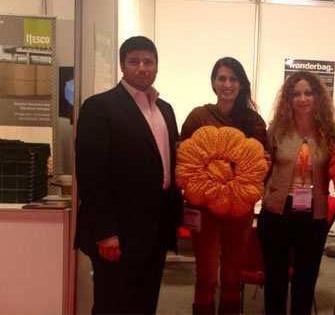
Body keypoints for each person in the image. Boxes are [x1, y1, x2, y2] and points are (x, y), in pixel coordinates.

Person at [74, 36, 183, 314]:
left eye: (148, 61)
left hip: (156, 228)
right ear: (122, 65)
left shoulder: (165, 110)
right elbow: (91, 175)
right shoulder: (99, 107)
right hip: (118, 232)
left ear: (157, 65)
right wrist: (106, 233)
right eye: (134, 61)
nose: (142, 67)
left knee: (145, 304)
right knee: (113, 305)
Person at [180, 57, 267, 314]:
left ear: (241, 84)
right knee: (206, 275)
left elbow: (258, 166)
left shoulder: (253, 121)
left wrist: (263, 161)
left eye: (233, 79)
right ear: (213, 82)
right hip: (203, 207)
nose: (227, 84)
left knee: (232, 275)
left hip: (238, 208)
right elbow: (184, 157)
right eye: (222, 78)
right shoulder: (198, 116)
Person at [258, 71, 335, 314]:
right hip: (277, 212)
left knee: (305, 280)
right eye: (296, 94)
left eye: (308, 93)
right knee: (275, 279)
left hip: (313, 215)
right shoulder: (277, 130)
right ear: (288, 99)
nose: (302, 99)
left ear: (317, 97)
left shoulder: (329, 133)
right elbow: (264, 166)